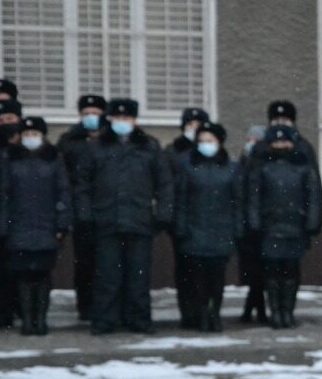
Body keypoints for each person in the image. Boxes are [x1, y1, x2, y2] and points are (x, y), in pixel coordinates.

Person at [75, 99, 172, 335]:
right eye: (118, 118)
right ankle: (105, 321)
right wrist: (86, 215)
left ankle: (138, 319)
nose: (122, 123)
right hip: (106, 220)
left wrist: (163, 214)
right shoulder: (96, 147)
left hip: (140, 221)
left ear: (135, 120)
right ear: (109, 120)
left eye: (127, 118)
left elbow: (165, 184)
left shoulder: (149, 146)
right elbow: (82, 185)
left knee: (138, 275)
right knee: (107, 275)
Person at [0, 116, 71, 335]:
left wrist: (62, 224)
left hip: (46, 226)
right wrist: (4, 225)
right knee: (23, 275)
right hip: (19, 226)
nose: (30, 138)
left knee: (42, 274)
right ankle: (28, 320)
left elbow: (63, 192)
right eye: (26, 134)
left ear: (43, 136)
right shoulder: (10, 159)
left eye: (35, 134)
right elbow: (5, 194)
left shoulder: (54, 159)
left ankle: (41, 319)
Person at [246, 124, 322, 329]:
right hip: (270, 227)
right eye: (277, 141)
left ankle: (288, 312)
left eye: (285, 141)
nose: (281, 145)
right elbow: (254, 198)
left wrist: (312, 222)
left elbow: (313, 197)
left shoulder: (303, 167)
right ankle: (276, 312)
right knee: (272, 273)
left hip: (295, 226)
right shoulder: (261, 168)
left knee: (290, 272)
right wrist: (254, 222)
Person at [173, 121, 242, 332]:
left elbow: (238, 201)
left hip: (222, 230)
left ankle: (215, 314)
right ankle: (202, 314)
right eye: (201, 141)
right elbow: (181, 200)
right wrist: (181, 227)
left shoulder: (232, 168)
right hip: (196, 229)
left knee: (217, 277)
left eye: (210, 141)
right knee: (198, 277)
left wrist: (238, 228)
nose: (205, 145)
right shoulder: (188, 166)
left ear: (219, 142)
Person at [57, 94, 108, 320]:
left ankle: (105, 304)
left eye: (95, 113)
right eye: (86, 113)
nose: (91, 117)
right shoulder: (69, 141)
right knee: (85, 261)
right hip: (81, 211)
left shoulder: (110, 139)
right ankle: (85, 306)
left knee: (107, 261)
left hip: (107, 209)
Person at [168, 107, 211, 328]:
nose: (193, 130)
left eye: (197, 125)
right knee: (185, 269)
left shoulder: (210, 152)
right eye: (189, 125)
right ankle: (187, 313)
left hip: (206, 220)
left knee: (204, 271)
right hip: (182, 217)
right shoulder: (173, 151)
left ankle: (203, 312)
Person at [0, 98, 25, 329]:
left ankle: (26, 311)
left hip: (25, 218)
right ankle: (1, 313)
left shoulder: (29, 146)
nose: (5, 123)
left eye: (10, 119)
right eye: (0, 120)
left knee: (25, 269)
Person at [236, 125, 267, 323]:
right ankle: (253, 309)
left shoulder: (264, 164)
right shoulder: (241, 163)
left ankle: (255, 310)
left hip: (262, 225)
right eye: (251, 139)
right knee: (252, 272)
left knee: (260, 273)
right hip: (246, 226)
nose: (252, 143)